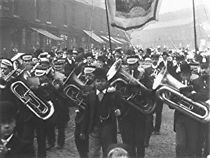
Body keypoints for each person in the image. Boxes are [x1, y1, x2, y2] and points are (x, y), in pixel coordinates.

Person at [79, 68, 122, 158]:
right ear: (94, 83)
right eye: (98, 81)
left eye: (102, 81)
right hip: (94, 128)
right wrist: (83, 130)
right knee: (93, 153)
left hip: (108, 128)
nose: (100, 83)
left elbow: (120, 106)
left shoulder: (113, 94)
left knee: (108, 152)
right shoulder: (90, 95)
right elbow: (86, 114)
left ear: (106, 82)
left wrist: (118, 110)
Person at [118, 55, 146, 158]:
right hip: (126, 113)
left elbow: (149, 91)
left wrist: (138, 86)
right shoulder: (122, 76)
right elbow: (119, 92)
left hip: (139, 112)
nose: (131, 67)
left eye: (134, 65)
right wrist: (127, 87)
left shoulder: (143, 75)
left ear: (137, 65)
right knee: (128, 141)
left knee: (140, 141)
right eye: (129, 65)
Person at [173, 61, 202, 158]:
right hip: (180, 118)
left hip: (193, 119)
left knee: (192, 146)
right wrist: (176, 97)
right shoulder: (176, 85)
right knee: (180, 145)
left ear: (190, 74)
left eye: (186, 74)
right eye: (182, 74)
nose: (184, 76)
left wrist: (192, 94)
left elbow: (204, 96)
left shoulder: (197, 83)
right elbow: (171, 105)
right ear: (180, 75)